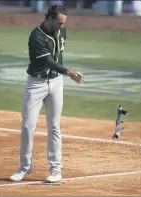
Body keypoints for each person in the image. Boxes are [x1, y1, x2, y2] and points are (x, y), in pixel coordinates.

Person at [9, 5, 84, 183]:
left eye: (64, 23)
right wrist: (68, 72)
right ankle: (24, 168)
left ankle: (56, 170)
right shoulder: (36, 36)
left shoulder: (61, 32)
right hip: (36, 84)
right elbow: (49, 61)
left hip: (56, 83)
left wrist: (62, 74)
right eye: (59, 23)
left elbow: (59, 56)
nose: (62, 26)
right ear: (48, 18)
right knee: (28, 127)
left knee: (54, 126)